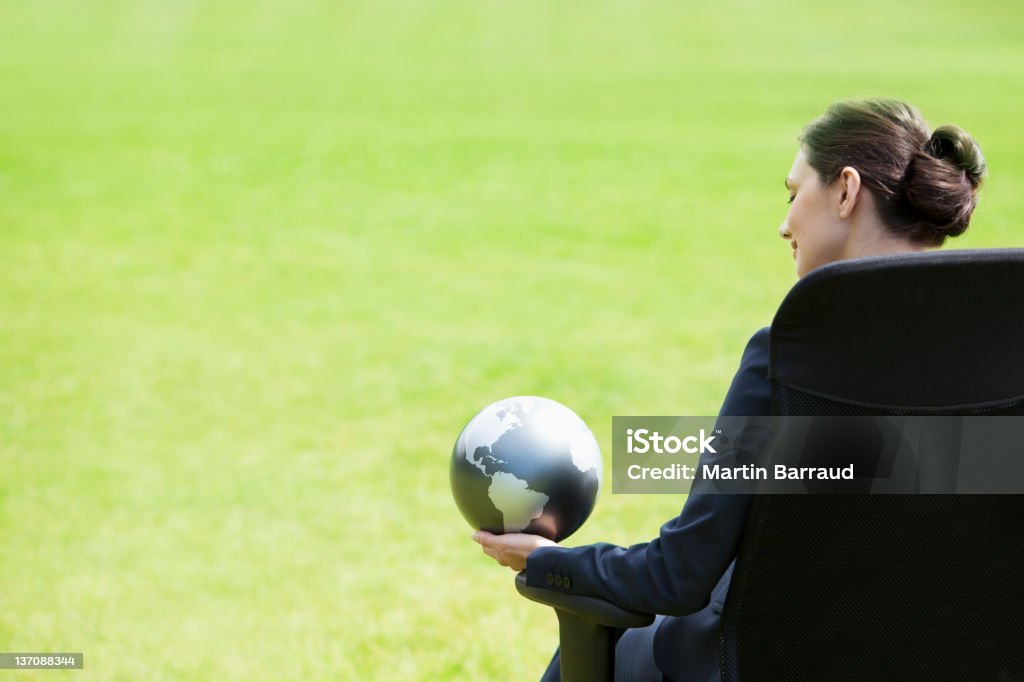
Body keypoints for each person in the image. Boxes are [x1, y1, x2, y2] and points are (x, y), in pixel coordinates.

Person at [471, 98, 987, 682]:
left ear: (846, 192)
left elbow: (678, 576)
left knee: (607, 643)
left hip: (765, 662)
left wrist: (553, 564)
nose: (784, 223)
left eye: (794, 194)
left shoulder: (792, 360)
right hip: (949, 659)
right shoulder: (999, 364)